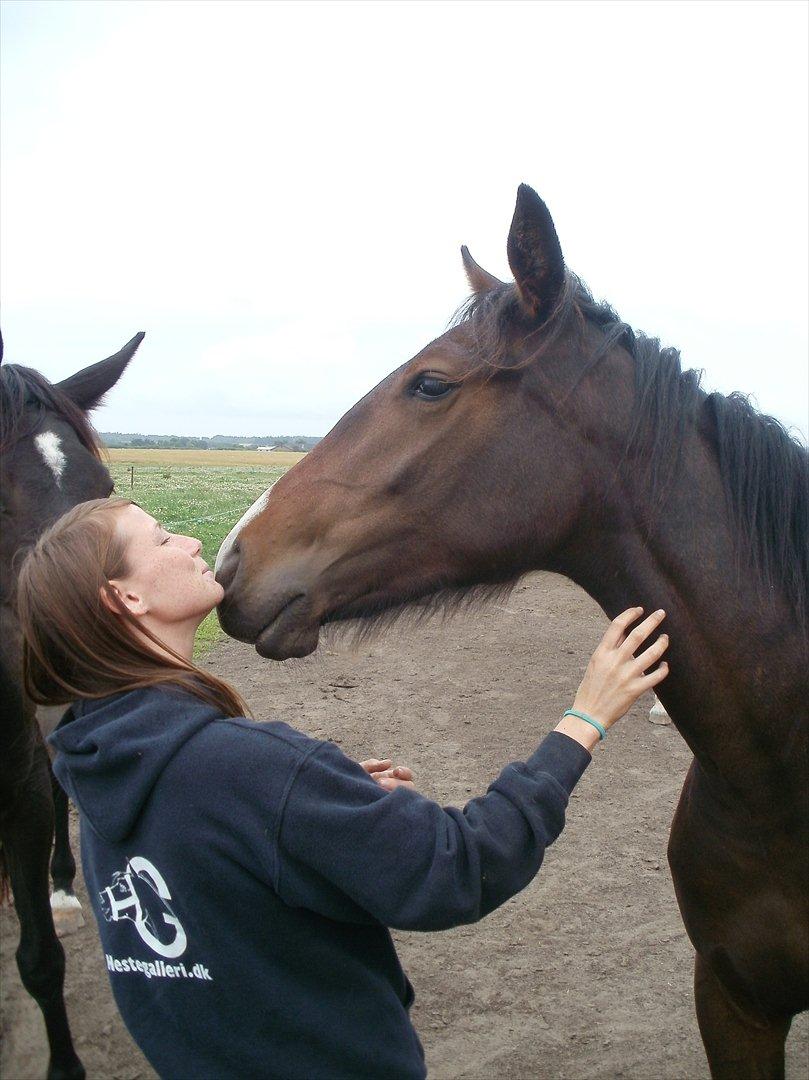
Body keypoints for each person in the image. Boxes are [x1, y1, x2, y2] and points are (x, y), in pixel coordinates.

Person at [17, 497, 669, 1080]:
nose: (190, 544)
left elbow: (207, 883)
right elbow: (458, 866)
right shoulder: (243, 769)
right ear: (124, 598)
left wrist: (300, 817)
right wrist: (584, 718)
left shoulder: (99, 764)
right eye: (161, 540)